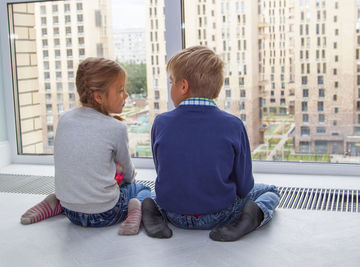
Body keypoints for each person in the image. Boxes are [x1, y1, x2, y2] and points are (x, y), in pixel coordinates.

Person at [142, 46, 281, 241]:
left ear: (183, 86)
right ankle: (251, 217)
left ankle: (153, 212)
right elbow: (244, 184)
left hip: (173, 213)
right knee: (269, 191)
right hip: (219, 214)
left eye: (171, 82)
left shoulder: (160, 122)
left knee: (148, 193)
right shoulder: (233, 125)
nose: (170, 87)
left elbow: (163, 172)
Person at [20, 57, 151, 235]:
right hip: (106, 214)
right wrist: (128, 182)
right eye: (121, 90)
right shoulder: (116, 128)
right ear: (98, 97)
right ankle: (134, 208)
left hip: (70, 211)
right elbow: (127, 173)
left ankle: (55, 202)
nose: (126, 95)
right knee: (142, 189)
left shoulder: (64, 119)